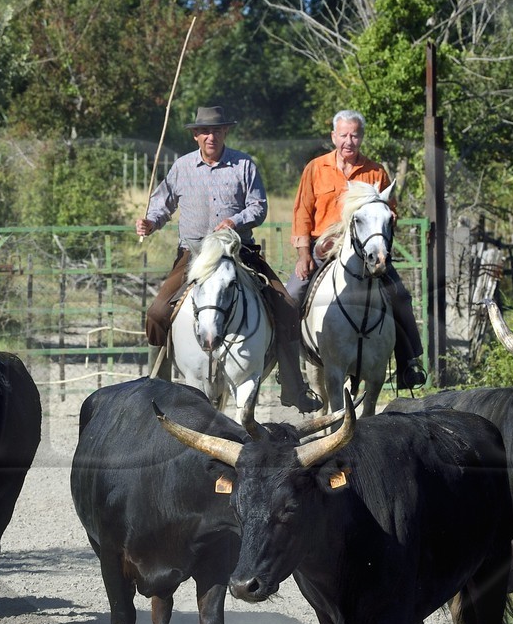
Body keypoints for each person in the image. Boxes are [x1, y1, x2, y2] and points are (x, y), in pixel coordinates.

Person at [138, 105, 322, 412]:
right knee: (157, 313)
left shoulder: (243, 165)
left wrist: (235, 222)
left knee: (287, 307)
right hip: (194, 255)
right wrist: (150, 222)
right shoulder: (181, 168)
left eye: (218, 130)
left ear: (226, 132)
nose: (212, 136)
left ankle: (293, 388)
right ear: (196, 135)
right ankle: (155, 386)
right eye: (206, 131)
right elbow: (161, 206)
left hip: (239, 251)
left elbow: (258, 207)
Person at [286, 109, 428, 390]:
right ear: (333, 137)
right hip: (323, 249)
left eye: (354, 135)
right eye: (343, 135)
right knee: (291, 296)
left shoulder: (376, 172)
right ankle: (289, 374)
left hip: (365, 252)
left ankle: (408, 364)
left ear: (361, 137)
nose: (349, 141)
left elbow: (391, 213)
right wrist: (304, 254)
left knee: (400, 295)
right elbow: (302, 211)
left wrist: (380, 230)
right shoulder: (316, 168)